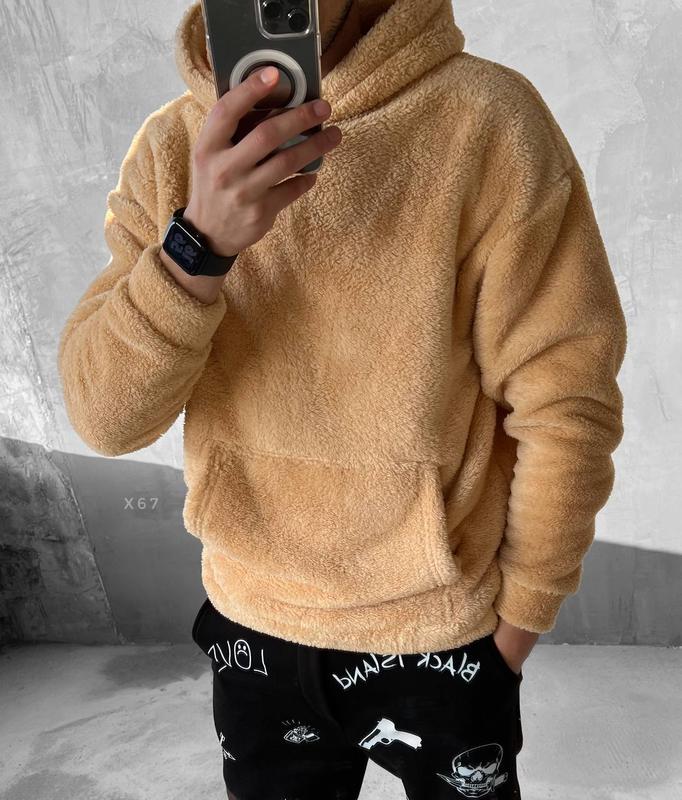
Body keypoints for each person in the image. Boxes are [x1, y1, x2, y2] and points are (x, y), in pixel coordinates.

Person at [57, 0, 627, 798]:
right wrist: (198, 245)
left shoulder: (489, 122)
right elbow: (105, 419)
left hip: (439, 635)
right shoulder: (173, 148)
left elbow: (566, 399)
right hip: (253, 623)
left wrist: (519, 624)